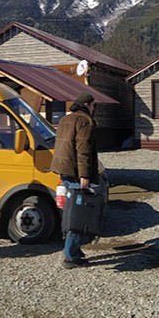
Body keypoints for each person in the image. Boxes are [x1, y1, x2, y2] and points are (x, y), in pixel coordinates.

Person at [51, 92, 99, 269]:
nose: (94, 109)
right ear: (87, 104)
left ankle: (74, 251)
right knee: (79, 214)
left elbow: (61, 145)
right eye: (94, 106)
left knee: (70, 211)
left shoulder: (65, 119)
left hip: (64, 169)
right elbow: (83, 150)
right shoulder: (85, 121)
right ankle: (71, 256)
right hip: (76, 172)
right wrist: (85, 175)